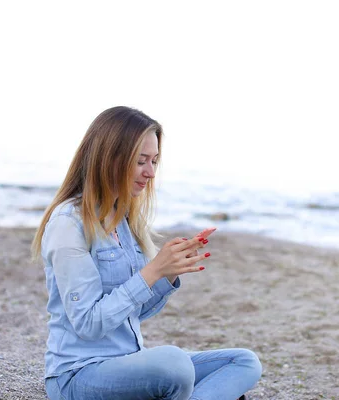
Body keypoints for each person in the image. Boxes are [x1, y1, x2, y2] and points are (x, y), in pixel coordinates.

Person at [31, 106, 262, 400]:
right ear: (110, 158)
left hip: (128, 364)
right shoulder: (69, 223)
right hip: (79, 375)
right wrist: (151, 271)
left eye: (153, 161)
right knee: (174, 365)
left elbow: (136, 312)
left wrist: (168, 273)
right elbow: (89, 324)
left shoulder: (123, 219)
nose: (150, 173)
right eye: (141, 161)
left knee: (243, 362)